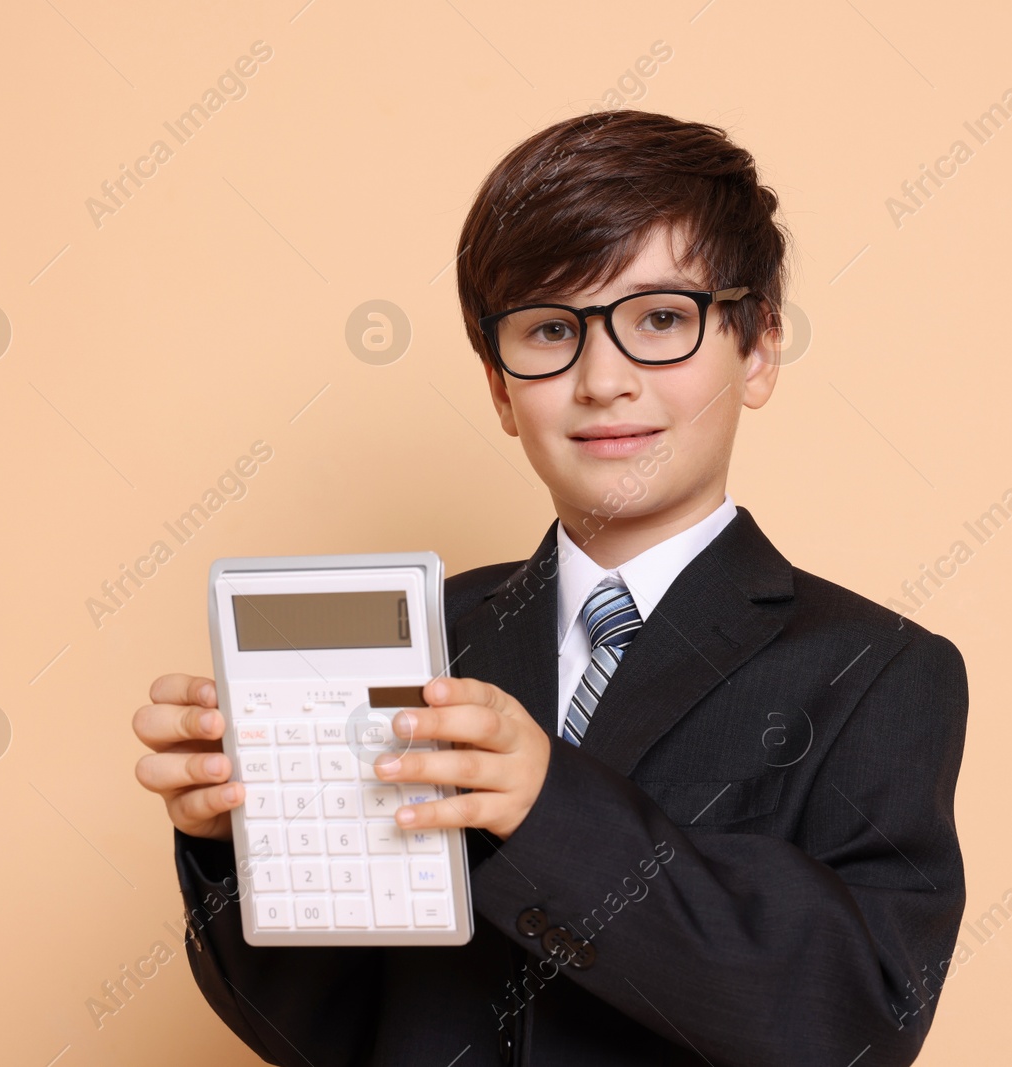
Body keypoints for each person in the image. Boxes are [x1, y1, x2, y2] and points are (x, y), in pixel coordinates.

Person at [132, 110, 969, 1066]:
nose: (603, 378)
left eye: (661, 318)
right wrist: (237, 841)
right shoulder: (424, 638)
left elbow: (854, 1021)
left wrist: (547, 805)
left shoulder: (879, 670)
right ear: (499, 384)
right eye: (549, 330)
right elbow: (324, 1030)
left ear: (759, 347)